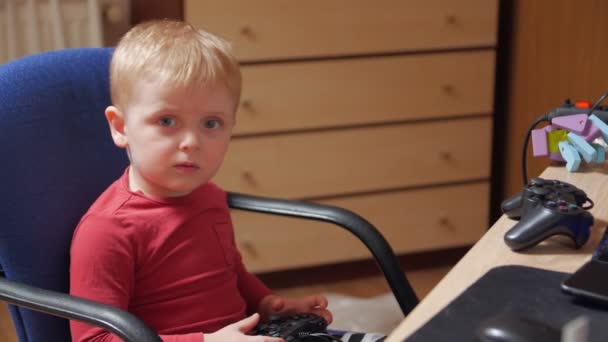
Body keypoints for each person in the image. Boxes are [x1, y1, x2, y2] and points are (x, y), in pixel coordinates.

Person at [69, 19, 332, 342]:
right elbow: (94, 340)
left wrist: (269, 304)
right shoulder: (107, 230)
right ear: (121, 127)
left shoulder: (209, 197)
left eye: (211, 123)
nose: (191, 141)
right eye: (167, 121)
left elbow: (229, 272)